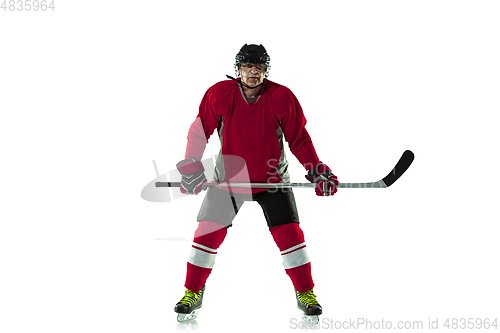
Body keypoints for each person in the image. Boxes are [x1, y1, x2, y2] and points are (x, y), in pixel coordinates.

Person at [173, 44, 339, 323]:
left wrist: (316, 169)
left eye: (259, 67)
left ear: (266, 70)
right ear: (237, 70)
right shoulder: (219, 94)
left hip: (273, 179)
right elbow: (200, 130)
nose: (253, 71)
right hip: (228, 181)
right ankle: (192, 291)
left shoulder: (282, 97)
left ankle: (306, 293)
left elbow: (298, 138)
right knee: (205, 235)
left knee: (291, 238)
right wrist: (191, 166)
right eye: (248, 66)